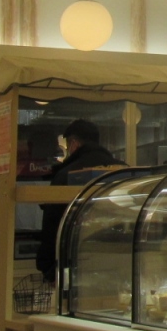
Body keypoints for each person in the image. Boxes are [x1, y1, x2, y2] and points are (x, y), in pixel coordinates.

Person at [37, 119, 120, 282]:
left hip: (75, 264)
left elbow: (52, 225)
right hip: (117, 264)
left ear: (74, 144)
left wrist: (47, 267)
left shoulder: (65, 175)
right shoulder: (121, 170)